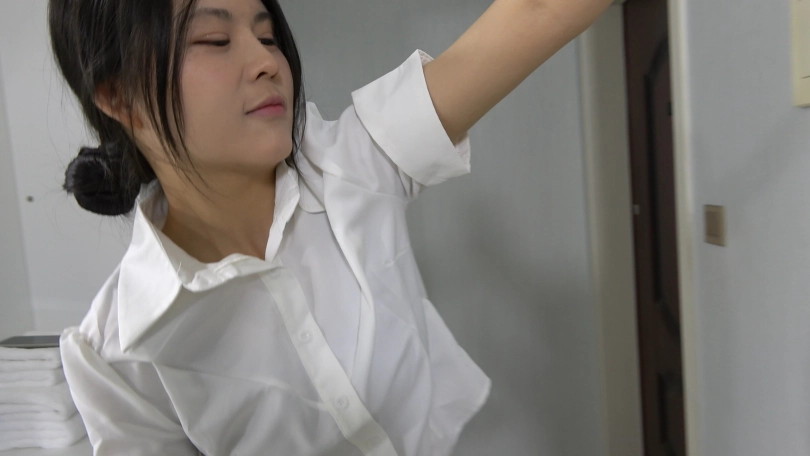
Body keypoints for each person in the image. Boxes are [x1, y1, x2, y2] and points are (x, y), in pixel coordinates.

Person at [51, 0, 613, 454]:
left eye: (268, 36)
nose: (267, 61)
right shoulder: (116, 353)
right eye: (214, 40)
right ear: (119, 96)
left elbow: (540, 11)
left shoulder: (352, 163)